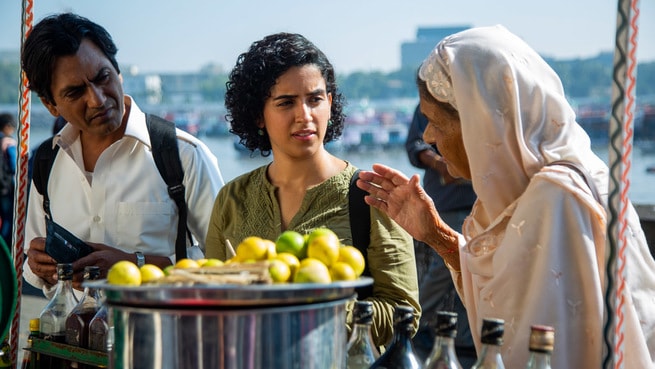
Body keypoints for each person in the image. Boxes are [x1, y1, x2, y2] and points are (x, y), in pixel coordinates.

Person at [356, 25, 655, 368]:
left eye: (436, 121)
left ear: (481, 124)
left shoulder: (556, 198)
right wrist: (435, 234)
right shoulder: (544, 187)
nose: (428, 135)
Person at [204, 32, 420, 347]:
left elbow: (404, 314)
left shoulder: (371, 195)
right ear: (257, 115)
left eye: (315, 99)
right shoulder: (232, 199)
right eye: (286, 102)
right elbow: (211, 299)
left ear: (330, 104)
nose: (304, 116)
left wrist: (309, 313)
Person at [21, 13, 224, 297]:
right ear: (51, 105)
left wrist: (134, 265)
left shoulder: (183, 156)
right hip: (71, 339)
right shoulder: (47, 161)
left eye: (102, 77)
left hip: (162, 337)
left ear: (118, 73)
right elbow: (31, 262)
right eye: (75, 92)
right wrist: (38, 264)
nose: (98, 99)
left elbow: (228, 266)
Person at [405, 104, 477, 365]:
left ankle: (467, 337)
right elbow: (415, 145)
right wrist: (440, 163)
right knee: (443, 266)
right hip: (445, 201)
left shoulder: (473, 99)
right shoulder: (428, 103)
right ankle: (414, 324)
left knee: (471, 267)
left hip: (479, 201)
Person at [0, 113, 17, 247]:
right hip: (4, 186)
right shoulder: (8, 142)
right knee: (8, 218)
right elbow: (14, 165)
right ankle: (5, 248)